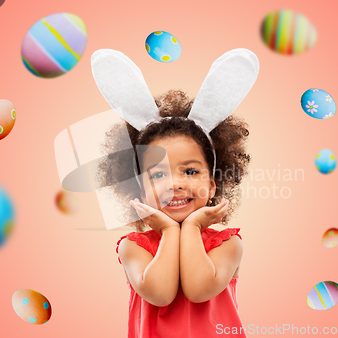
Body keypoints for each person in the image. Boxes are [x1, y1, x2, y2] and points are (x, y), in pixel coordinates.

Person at [92, 48, 259, 337]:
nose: (175, 184)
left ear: (212, 186)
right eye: (157, 174)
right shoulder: (133, 247)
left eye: (190, 171)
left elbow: (198, 289)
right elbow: (160, 293)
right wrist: (169, 232)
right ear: (141, 191)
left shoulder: (227, 245)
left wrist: (192, 226)